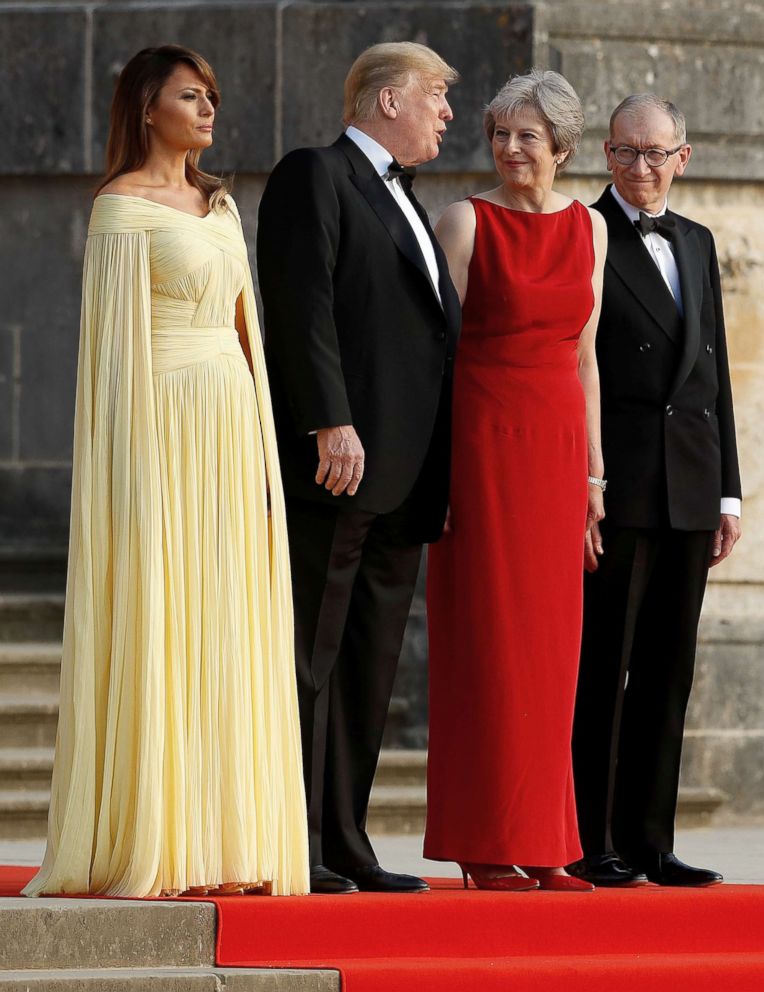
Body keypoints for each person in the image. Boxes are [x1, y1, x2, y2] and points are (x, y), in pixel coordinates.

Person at [23, 45, 309, 899]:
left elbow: (248, 334)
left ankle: (229, 843)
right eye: (192, 95)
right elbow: (112, 361)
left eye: (212, 96)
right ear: (148, 107)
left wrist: (266, 454)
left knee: (227, 623)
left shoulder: (221, 206)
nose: (210, 109)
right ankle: (162, 841)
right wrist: (130, 472)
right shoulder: (121, 209)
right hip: (164, 434)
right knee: (169, 620)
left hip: (229, 426)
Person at [257, 42, 461, 895]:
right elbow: (302, 307)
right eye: (437, 97)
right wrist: (329, 421)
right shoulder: (316, 174)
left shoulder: (413, 200)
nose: (448, 113)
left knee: (369, 664)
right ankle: (289, 840)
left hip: (407, 477)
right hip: (338, 465)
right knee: (309, 656)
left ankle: (345, 840)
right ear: (386, 100)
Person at [424, 69, 607, 892]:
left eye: (527, 136)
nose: (509, 148)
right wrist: (440, 471)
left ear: (563, 148)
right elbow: (433, 358)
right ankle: (483, 842)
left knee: (550, 653)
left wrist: (596, 476)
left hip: (558, 452)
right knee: (488, 644)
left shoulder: (590, 232)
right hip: (483, 445)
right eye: (500, 133)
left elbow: (584, 358)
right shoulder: (463, 222)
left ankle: (544, 841)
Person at [568, 94, 742, 889]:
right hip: (621, 485)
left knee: (669, 672)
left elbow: (716, 378)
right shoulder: (587, 234)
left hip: (693, 487)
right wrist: (585, 483)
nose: (640, 167)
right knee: (605, 668)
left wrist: (730, 495)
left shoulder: (700, 242)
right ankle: (592, 840)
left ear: (684, 157)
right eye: (625, 152)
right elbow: (573, 372)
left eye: (655, 153)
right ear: (605, 155)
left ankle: (652, 842)